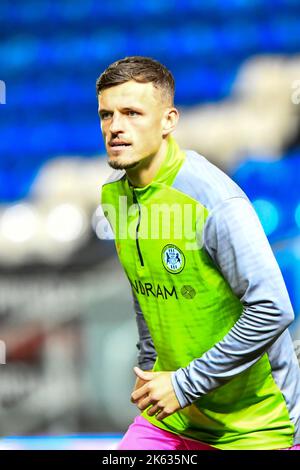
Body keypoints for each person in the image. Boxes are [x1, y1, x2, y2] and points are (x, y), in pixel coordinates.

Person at [96, 56, 300, 450]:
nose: (115, 126)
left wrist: (184, 383)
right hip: (173, 419)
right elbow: (147, 289)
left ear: (169, 120)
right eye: (106, 114)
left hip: (256, 425)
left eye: (132, 113)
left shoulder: (213, 198)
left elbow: (274, 308)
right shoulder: (113, 195)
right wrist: (152, 365)